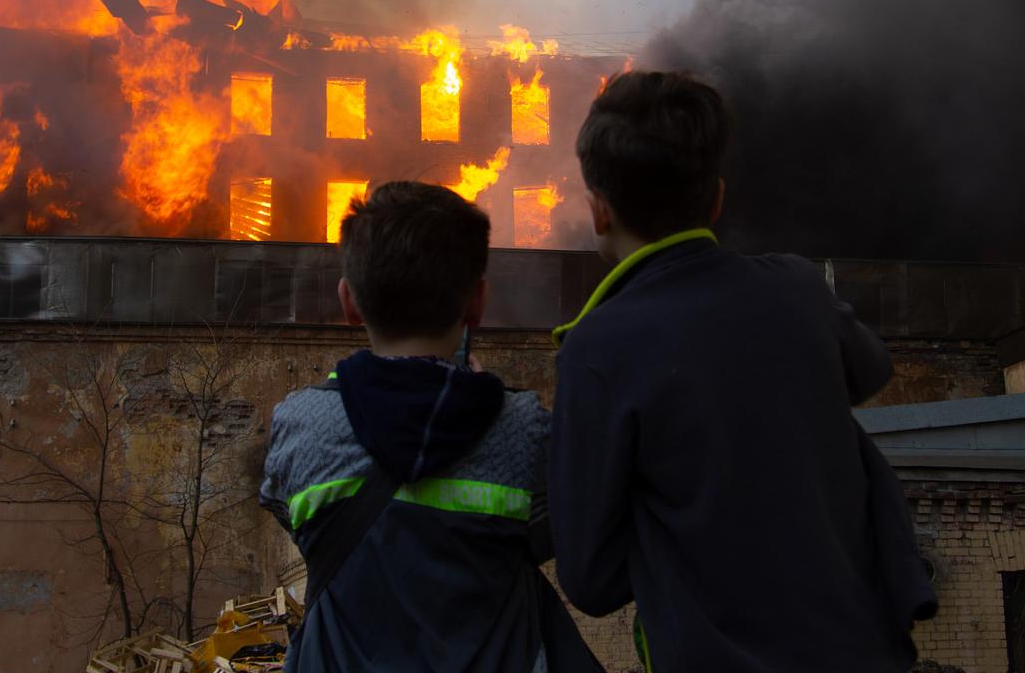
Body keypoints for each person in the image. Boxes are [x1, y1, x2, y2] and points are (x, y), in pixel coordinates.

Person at [548, 70, 936, 673]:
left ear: (599, 211)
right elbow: (869, 370)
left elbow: (590, 580)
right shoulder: (798, 287)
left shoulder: (596, 348)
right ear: (718, 197)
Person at [260, 181, 601, 672]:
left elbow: (292, 515)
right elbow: (547, 534)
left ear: (348, 302)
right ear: (478, 302)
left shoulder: (300, 425)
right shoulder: (524, 430)